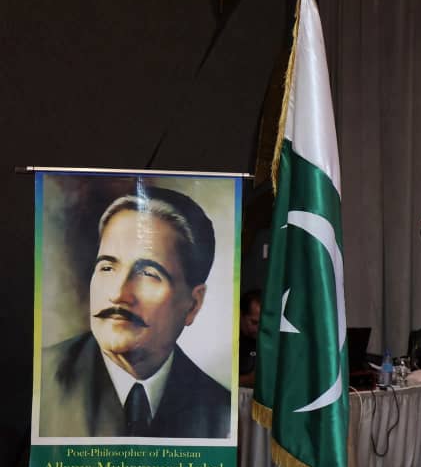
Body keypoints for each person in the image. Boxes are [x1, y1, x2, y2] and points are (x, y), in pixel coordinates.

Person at [39, 186, 231, 439]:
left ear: (193, 304)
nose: (118, 294)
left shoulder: (222, 413)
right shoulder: (41, 381)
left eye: (148, 274)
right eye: (107, 268)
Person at [239, 289, 262, 388]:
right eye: (254, 322)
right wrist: (247, 380)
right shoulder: (227, 340)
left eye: (264, 323)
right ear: (240, 315)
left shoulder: (271, 340)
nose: (260, 329)